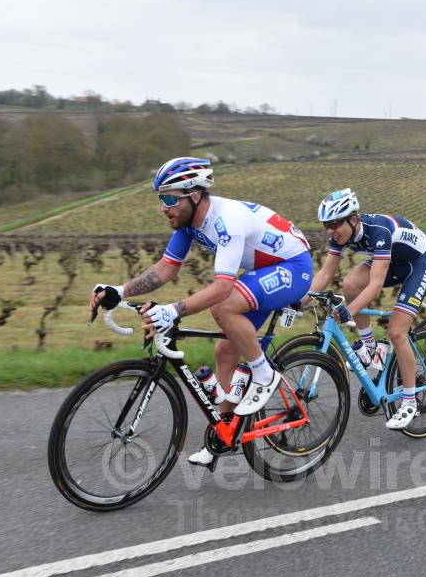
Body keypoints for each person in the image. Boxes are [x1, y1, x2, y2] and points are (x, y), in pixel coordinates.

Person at [89, 156, 313, 467]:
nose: (163, 207)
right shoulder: (188, 223)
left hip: (293, 268)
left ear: (194, 196)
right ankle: (224, 433)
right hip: (261, 273)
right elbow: (165, 269)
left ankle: (265, 374)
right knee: (224, 351)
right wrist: (119, 290)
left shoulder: (226, 220)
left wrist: (173, 311)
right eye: (160, 199)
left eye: (169, 198)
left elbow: (222, 288)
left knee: (223, 307)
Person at [305, 188, 426, 430]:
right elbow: (324, 274)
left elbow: (375, 285)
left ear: (353, 220)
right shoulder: (339, 235)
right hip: (391, 262)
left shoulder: (379, 231)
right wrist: (299, 301)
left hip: (416, 264)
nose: (331, 231)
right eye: (326, 225)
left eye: (335, 224)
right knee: (350, 283)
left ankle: (409, 401)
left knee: (397, 332)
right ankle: (369, 345)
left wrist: (349, 310)